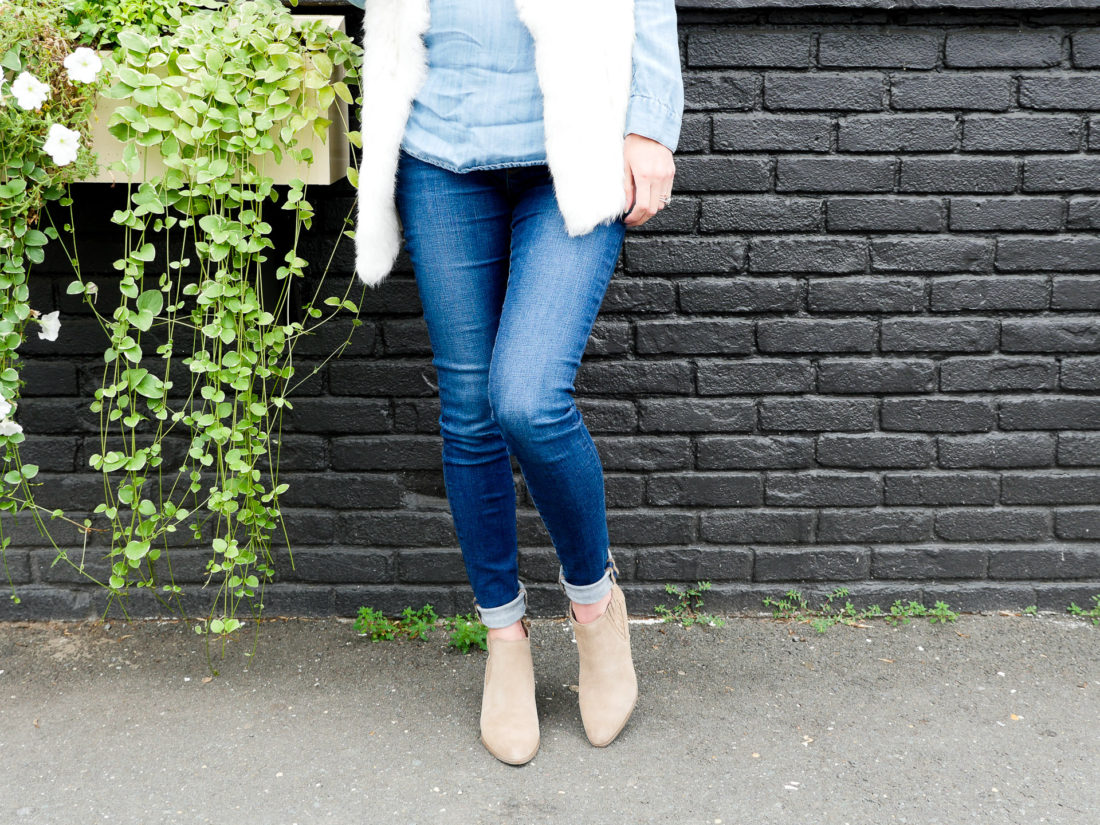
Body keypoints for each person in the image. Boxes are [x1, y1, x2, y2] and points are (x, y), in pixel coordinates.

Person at [349, 0, 684, 766]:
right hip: (440, 153)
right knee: (468, 412)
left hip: (574, 144)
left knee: (528, 399)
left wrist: (650, 124)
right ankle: (505, 636)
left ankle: (596, 612)